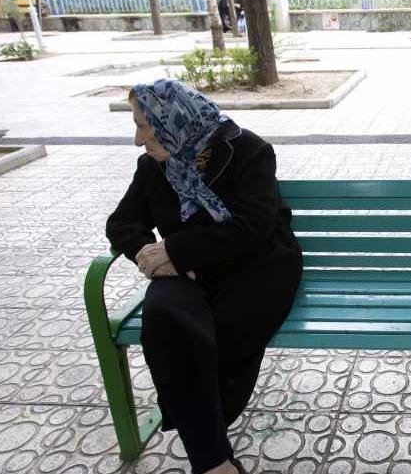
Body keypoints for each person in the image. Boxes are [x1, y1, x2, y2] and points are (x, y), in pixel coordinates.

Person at [106, 79, 303, 474]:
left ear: (173, 120)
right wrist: (149, 253)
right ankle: (215, 463)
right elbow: (123, 222)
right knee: (163, 319)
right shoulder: (153, 166)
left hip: (257, 268)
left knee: (213, 335)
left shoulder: (247, 150)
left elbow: (254, 227)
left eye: (144, 125)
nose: (137, 139)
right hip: (186, 272)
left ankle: (207, 447)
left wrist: (177, 251)